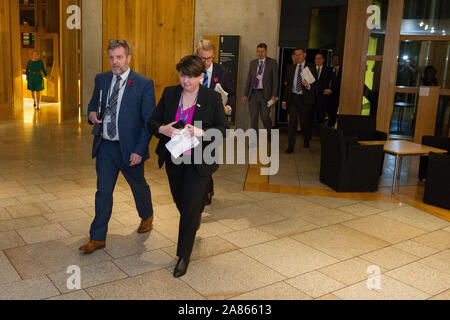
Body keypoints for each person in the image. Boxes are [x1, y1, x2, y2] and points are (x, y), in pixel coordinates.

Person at [147, 55, 228, 277]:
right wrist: (164, 129)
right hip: (175, 159)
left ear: (201, 76)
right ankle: (194, 216)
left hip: (198, 162)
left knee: (190, 209)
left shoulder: (211, 98)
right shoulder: (170, 94)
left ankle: (183, 256)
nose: (186, 81)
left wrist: (202, 132)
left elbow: (223, 129)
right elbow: (152, 122)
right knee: (181, 202)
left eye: (192, 77)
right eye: (183, 76)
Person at [80, 40, 155, 253]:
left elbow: (147, 120)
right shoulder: (102, 79)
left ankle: (147, 215)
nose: (115, 62)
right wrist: (92, 113)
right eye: (111, 57)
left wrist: (139, 150)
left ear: (128, 58)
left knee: (138, 186)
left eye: (119, 57)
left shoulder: (143, 83)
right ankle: (97, 237)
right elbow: (93, 104)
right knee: (103, 192)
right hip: (105, 145)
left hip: (129, 148)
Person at [195, 39, 235, 206]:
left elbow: (232, 94)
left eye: (209, 58)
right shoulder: (193, 69)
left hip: (214, 122)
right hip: (196, 120)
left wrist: (228, 108)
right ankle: (205, 188)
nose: (205, 62)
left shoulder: (223, 71)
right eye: (202, 58)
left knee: (208, 155)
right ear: (197, 55)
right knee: (198, 156)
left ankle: (205, 190)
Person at [282, 47, 317, 152]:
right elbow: (287, 86)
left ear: (305, 55)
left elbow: (316, 84)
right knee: (292, 123)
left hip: (305, 99)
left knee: (304, 123)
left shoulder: (311, 67)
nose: (298, 57)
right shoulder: (291, 68)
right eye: (296, 55)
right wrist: (284, 100)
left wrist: (308, 86)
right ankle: (290, 146)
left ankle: (306, 139)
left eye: (300, 54)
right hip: (293, 98)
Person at [243, 43, 278, 141]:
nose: (260, 53)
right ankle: (254, 140)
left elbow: (275, 81)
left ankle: (270, 132)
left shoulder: (272, 63)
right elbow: (249, 79)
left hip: (265, 95)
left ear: (266, 52)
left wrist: (274, 95)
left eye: (262, 51)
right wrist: (245, 94)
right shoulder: (253, 63)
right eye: (258, 51)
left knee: (265, 117)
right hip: (253, 94)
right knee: (253, 118)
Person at [313, 53, 333, 124]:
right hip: (311, 96)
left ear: (323, 60)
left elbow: (332, 81)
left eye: (320, 58)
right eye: (316, 58)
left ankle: (320, 133)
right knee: (309, 116)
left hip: (322, 97)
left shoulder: (328, 70)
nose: (318, 60)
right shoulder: (310, 69)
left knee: (321, 117)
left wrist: (330, 89)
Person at [328, 54, 342, 128]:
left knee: (335, 110)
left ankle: (332, 124)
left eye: (337, 59)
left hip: (338, 94)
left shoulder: (343, 70)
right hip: (329, 95)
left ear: (339, 61)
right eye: (334, 59)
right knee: (330, 111)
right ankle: (330, 124)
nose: (335, 61)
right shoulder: (329, 69)